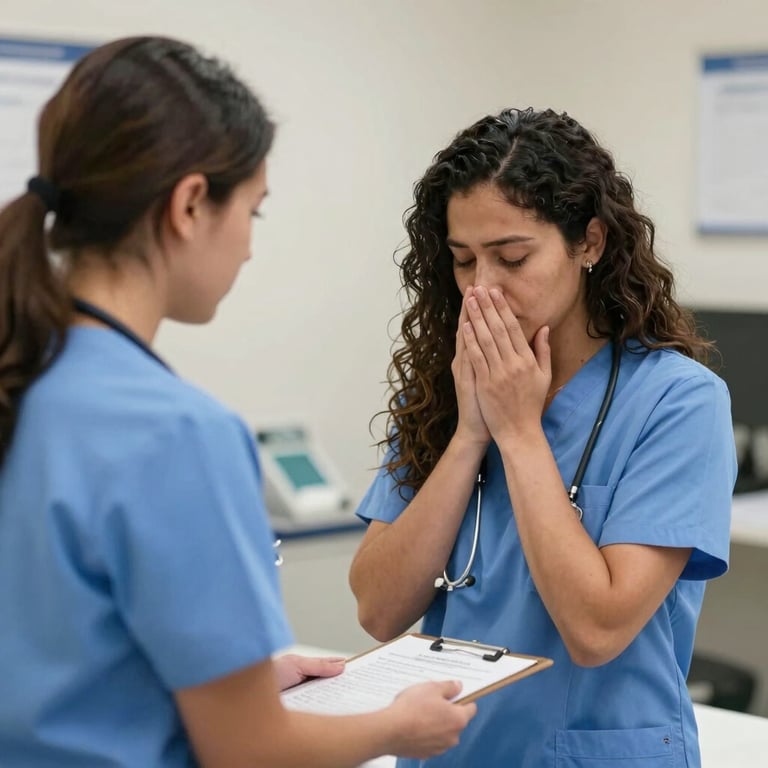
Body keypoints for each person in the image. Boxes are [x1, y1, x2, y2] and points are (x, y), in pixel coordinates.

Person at [0, 36, 476, 768]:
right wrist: (394, 729)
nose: (250, 247)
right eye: (252, 212)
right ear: (191, 204)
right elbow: (248, 749)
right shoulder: (178, 435)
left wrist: (227, 684)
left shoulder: (24, 378)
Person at [349, 107, 737, 768]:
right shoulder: (448, 392)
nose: (481, 290)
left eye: (512, 257)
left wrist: (519, 431)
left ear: (590, 243)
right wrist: (472, 431)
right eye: (463, 260)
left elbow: (596, 630)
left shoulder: (677, 402)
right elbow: (379, 608)